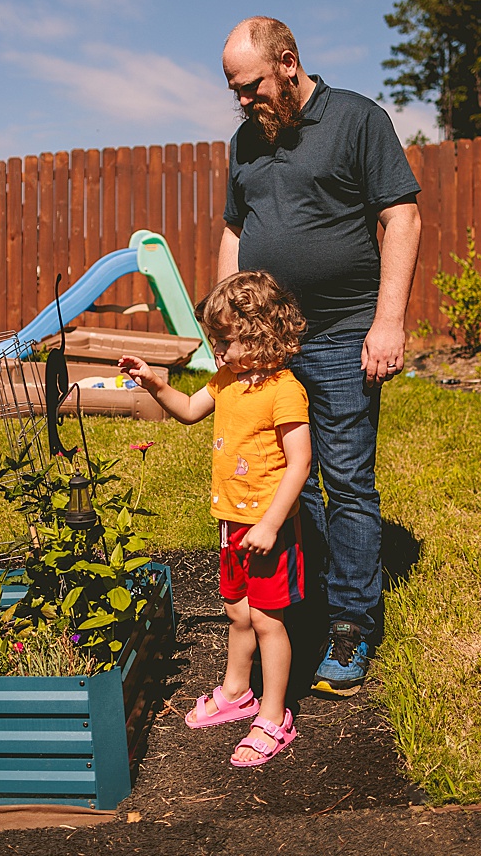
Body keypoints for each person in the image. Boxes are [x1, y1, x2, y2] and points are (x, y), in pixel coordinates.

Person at [218, 16, 422, 697]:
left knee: (346, 482)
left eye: (252, 88)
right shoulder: (245, 142)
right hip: (268, 347)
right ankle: (299, 606)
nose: (245, 103)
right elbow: (235, 231)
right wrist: (224, 325)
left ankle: (352, 624)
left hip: (341, 334)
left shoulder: (357, 120)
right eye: (235, 92)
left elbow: (402, 216)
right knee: (288, 483)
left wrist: (387, 322)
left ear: (289, 62)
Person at [119, 270, 312, 767]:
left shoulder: (285, 391)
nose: (217, 350)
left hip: (267, 527)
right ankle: (237, 691)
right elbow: (186, 410)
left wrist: (271, 523)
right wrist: (156, 383)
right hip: (231, 520)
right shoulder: (228, 379)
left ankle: (273, 715)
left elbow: (301, 464)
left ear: (259, 332)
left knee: (269, 621)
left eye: (224, 340)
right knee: (237, 612)